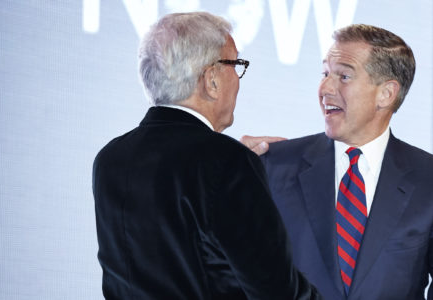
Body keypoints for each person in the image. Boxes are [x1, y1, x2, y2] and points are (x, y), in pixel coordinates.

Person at [243, 24, 433, 299]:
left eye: (343, 76)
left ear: (386, 94)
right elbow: (233, 269)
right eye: (324, 73)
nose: (325, 88)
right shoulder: (273, 165)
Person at [92, 12, 320, 299]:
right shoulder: (226, 162)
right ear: (211, 80)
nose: (238, 78)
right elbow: (276, 291)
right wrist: (232, 164)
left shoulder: (111, 158)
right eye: (236, 64)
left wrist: (228, 165)